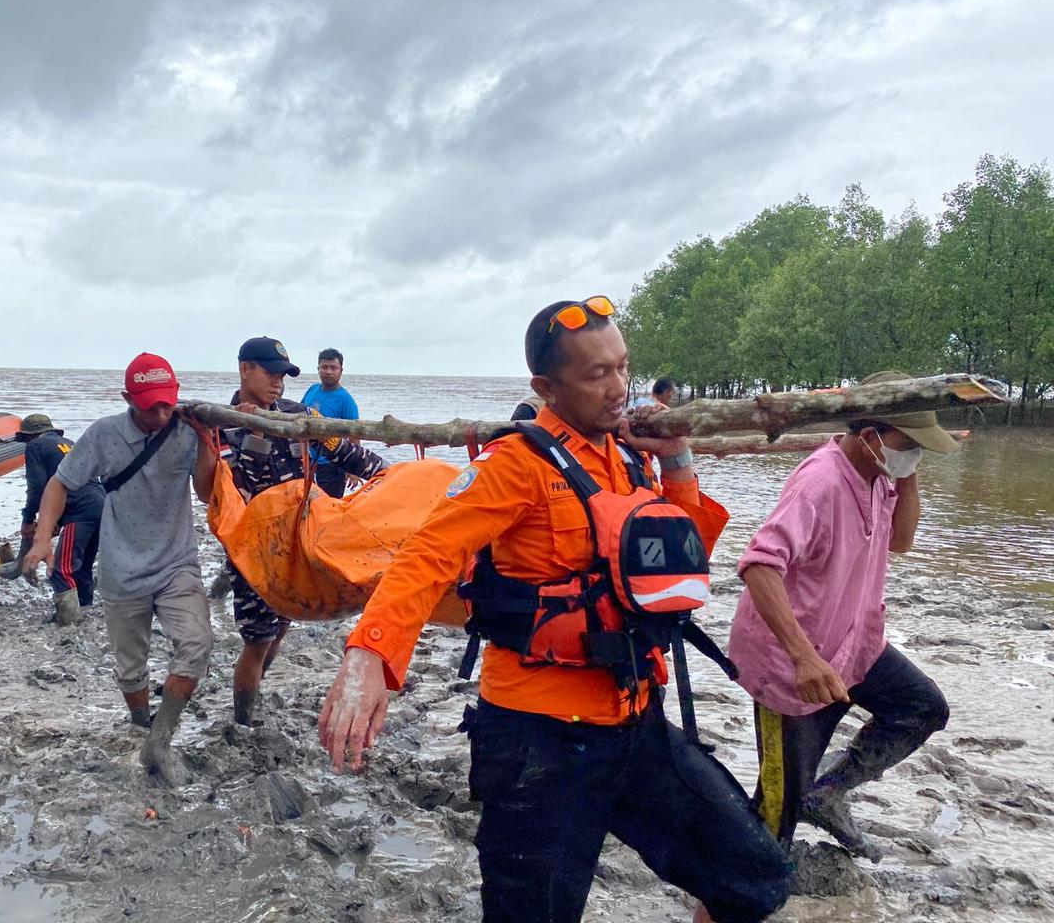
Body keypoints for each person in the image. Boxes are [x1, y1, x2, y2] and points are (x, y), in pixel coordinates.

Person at [319, 298, 789, 923]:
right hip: (539, 739)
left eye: (622, 367)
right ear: (546, 387)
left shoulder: (629, 457)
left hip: (636, 717)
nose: (618, 387)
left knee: (753, 878)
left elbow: (679, 567)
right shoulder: (515, 463)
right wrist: (369, 656)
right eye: (597, 374)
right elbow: (428, 553)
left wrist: (676, 459)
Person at [730, 370, 954, 862]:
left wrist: (907, 466)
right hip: (797, 664)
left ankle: (828, 793)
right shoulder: (821, 482)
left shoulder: (877, 476)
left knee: (922, 707)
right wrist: (804, 658)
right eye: (909, 446)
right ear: (871, 436)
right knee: (776, 814)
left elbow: (901, 540)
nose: (914, 456)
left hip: (853, 646)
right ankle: (740, 883)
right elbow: (759, 566)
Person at [24, 353, 217, 783]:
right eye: (151, 407)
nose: (162, 414)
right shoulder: (103, 434)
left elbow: (206, 494)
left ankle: (160, 739)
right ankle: (140, 726)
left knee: (197, 642)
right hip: (121, 567)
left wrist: (207, 440)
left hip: (177, 563)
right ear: (128, 398)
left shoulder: (186, 430)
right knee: (131, 667)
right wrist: (42, 538)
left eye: (168, 403)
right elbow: (60, 484)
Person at [223, 336, 388, 725]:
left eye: (283, 375)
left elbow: (342, 451)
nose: (277, 382)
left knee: (281, 626)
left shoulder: (298, 415)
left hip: (296, 543)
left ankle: (255, 692)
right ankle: (242, 719)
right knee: (257, 638)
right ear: (245, 369)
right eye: (270, 373)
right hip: (254, 551)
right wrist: (256, 431)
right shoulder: (224, 426)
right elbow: (246, 483)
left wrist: (388, 474)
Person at [15, 413, 104, 625]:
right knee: (81, 566)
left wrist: (28, 519)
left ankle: (69, 619)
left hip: (79, 511)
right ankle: (85, 610)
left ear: (28, 436)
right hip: (102, 505)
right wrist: (54, 520)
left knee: (60, 569)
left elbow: (37, 487)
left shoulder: (35, 446)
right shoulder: (70, 444)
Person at [301, 348, 360, 498]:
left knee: (329, 506)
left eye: (333, 368)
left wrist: (353, 469)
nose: (328, 372)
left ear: (341, 371)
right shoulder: (312, 389)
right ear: (318, 368)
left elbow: (354, 436)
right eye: (324, 367)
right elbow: (299, 414)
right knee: (304, 504)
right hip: (307, 461)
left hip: (332, 465)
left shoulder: (345, 400)